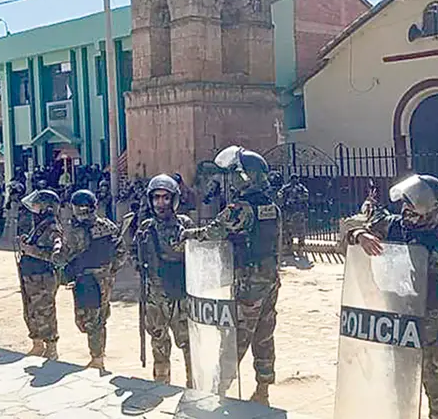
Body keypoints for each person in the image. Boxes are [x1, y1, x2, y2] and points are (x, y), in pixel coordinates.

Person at [342, 174, 438, 419]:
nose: (405, 209)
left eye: (411, 205)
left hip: (431, 332)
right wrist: (361, 235)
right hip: (395, 325)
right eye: (404, 204)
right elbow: (348, 230)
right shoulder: (390, 225)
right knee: (400, 390)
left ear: (429, 209)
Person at [181, 146, 280, 405]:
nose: (232, 180)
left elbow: (214, 231)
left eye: (235, 175)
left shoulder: (241, 207)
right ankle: (263, 388)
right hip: (270, 281)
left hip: (248, 284)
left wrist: (188, 234)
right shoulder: (270, 206)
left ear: (246, 177)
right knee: (264, 336)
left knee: (234, 338)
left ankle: (219, 390)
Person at [133, 174, 195, 386]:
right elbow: (135, 255)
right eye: (156, 198)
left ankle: (193, 386)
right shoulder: (145, 227)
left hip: (180, 296)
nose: (161, 203)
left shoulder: (184, 225)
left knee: (188, 344)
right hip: (154, 297)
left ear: (174, 200)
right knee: (158, 343)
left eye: (166, 198)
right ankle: (161, 384)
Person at [55, 189, 123, 370]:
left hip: (87, 279)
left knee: (89, 321)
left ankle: (97, 359)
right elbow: (121, 252)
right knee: (100, 317)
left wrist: (54, 249)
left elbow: (62, 257)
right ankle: (98, 355)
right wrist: (111, 270)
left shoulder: (75, 232)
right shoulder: (108, 225)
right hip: (105, 278)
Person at [17, 189, 64, 359]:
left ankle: (51, 347)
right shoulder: (40, 225)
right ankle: (37, 344)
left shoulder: (52, 226)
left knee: (45, 311)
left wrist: (31, 250)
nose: (34, 208)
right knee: (31, 310)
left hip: (43, 275)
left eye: (37, 204)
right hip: (30, 274)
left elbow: (55, 255)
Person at [276, 174, 310, 258]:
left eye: (296, 178)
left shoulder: (301, 188)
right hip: (289, 212)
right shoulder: (286, 188)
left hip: (298, 211)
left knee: (300, 231)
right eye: (293, 179)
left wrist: (298, 198)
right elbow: (279, 195)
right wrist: (284, 199)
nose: (295, 180)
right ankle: (289, 248)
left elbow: (306, 195)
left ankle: (300, 248)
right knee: (288, 231)